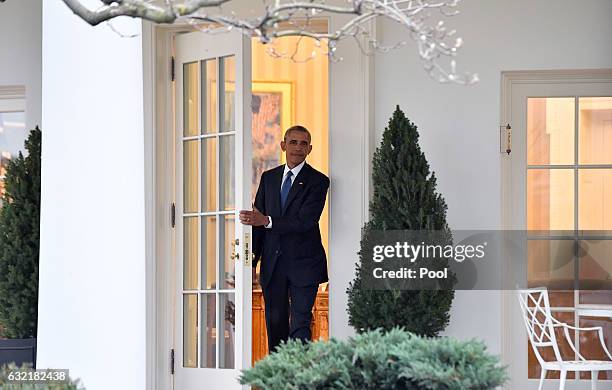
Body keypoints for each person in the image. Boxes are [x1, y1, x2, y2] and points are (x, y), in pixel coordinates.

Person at [239, 125, 329, 352]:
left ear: (310, 149)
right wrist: (252, 261)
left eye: (303, 144)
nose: (298, 148)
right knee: (276, 324)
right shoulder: (268, 178)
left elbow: (305, 221)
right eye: (293, 142)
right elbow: (256, 224)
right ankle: (277, 378)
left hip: (304, 265)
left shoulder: (318, 181)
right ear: (283, 145)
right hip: (273, 265)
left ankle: (297, 380)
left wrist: (267, 220)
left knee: (299, 325)